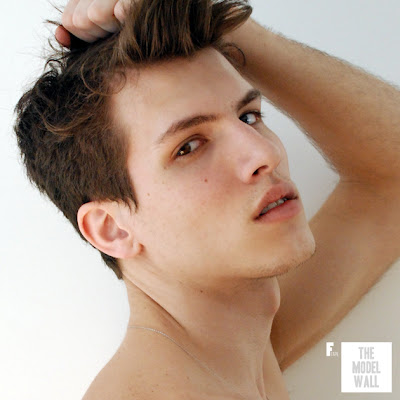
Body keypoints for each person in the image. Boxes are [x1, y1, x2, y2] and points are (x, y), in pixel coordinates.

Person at [14, 0, 400, 399]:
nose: (265, 154)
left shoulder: (239, 348)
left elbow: (390, 177)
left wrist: (227, 24)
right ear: (112, 229)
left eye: (249, 116)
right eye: (189, 146)